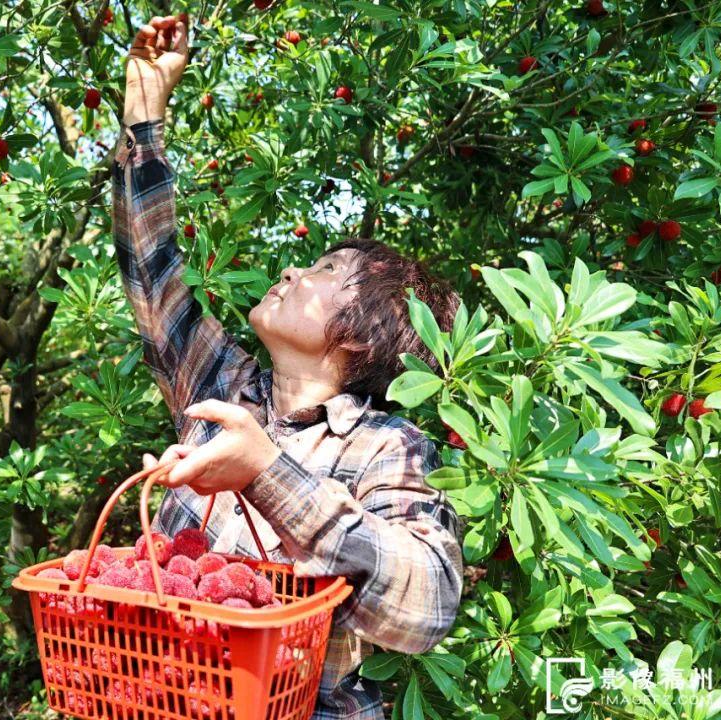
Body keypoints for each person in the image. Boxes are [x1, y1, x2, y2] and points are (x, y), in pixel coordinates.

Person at [112, 14, 464, 719]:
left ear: (362, 338)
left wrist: (267, 474)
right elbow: (151, 271)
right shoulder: (220, 389)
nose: (295, 268)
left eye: (327, 270)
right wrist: (144, 108)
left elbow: (428, 604)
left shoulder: (386, 448)